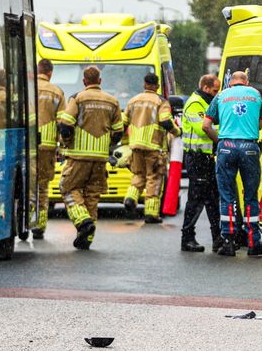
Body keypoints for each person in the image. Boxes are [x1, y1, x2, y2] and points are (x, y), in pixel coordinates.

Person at [56, 66, 124, 250]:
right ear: (100, 81)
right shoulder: (113, 101)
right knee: (92, 196)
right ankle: (87, 238)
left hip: (78, 156)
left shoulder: (78, 98)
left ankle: (82, 221)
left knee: (68, 188)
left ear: (84, 81)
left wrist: (67, 142)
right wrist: (107, 147)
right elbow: (119, 131)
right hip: (100, 158)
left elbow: (65, 124)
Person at [206, 71, 262, 257]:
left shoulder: (221, 96)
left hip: (226, 147)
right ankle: (253, 242)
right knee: (250, 196)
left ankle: (228, 241)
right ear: (247, 82)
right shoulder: (256, 95)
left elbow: (206, 125)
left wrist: (220, 142)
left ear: (230, 82)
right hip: (249, 147)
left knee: (227, 197)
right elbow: (259, 125)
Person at [123, 73, 178, 224]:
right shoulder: (161, 101)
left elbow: (123, 123)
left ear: (144, 84)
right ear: (157, 86)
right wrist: (177, 132)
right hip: (153, 146)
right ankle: (151, 213)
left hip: (135, 146)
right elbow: (166, 121)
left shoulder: (133, 100)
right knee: (154, 178)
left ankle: (130, 198)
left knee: (139, 174)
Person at [179, 75, 222, 252]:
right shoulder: (195, 103)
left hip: (207, 158)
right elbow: (203, 129)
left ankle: (217, 238)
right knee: (196, 199)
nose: (216, 94)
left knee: (212, 198)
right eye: (214, 90)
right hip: (197, 158)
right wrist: (225, 131)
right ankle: (187, 237)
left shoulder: (206, 103)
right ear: (205, 88)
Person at [32, 59, 65, 239]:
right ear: (50, 72)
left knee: (29, 186)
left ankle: (27, 219)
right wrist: (62, 144)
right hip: (47, 145)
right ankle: (39, 225)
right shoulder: (57, 92)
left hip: (27, 145)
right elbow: (62, 122)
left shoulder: (26, 88)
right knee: (42, 186)